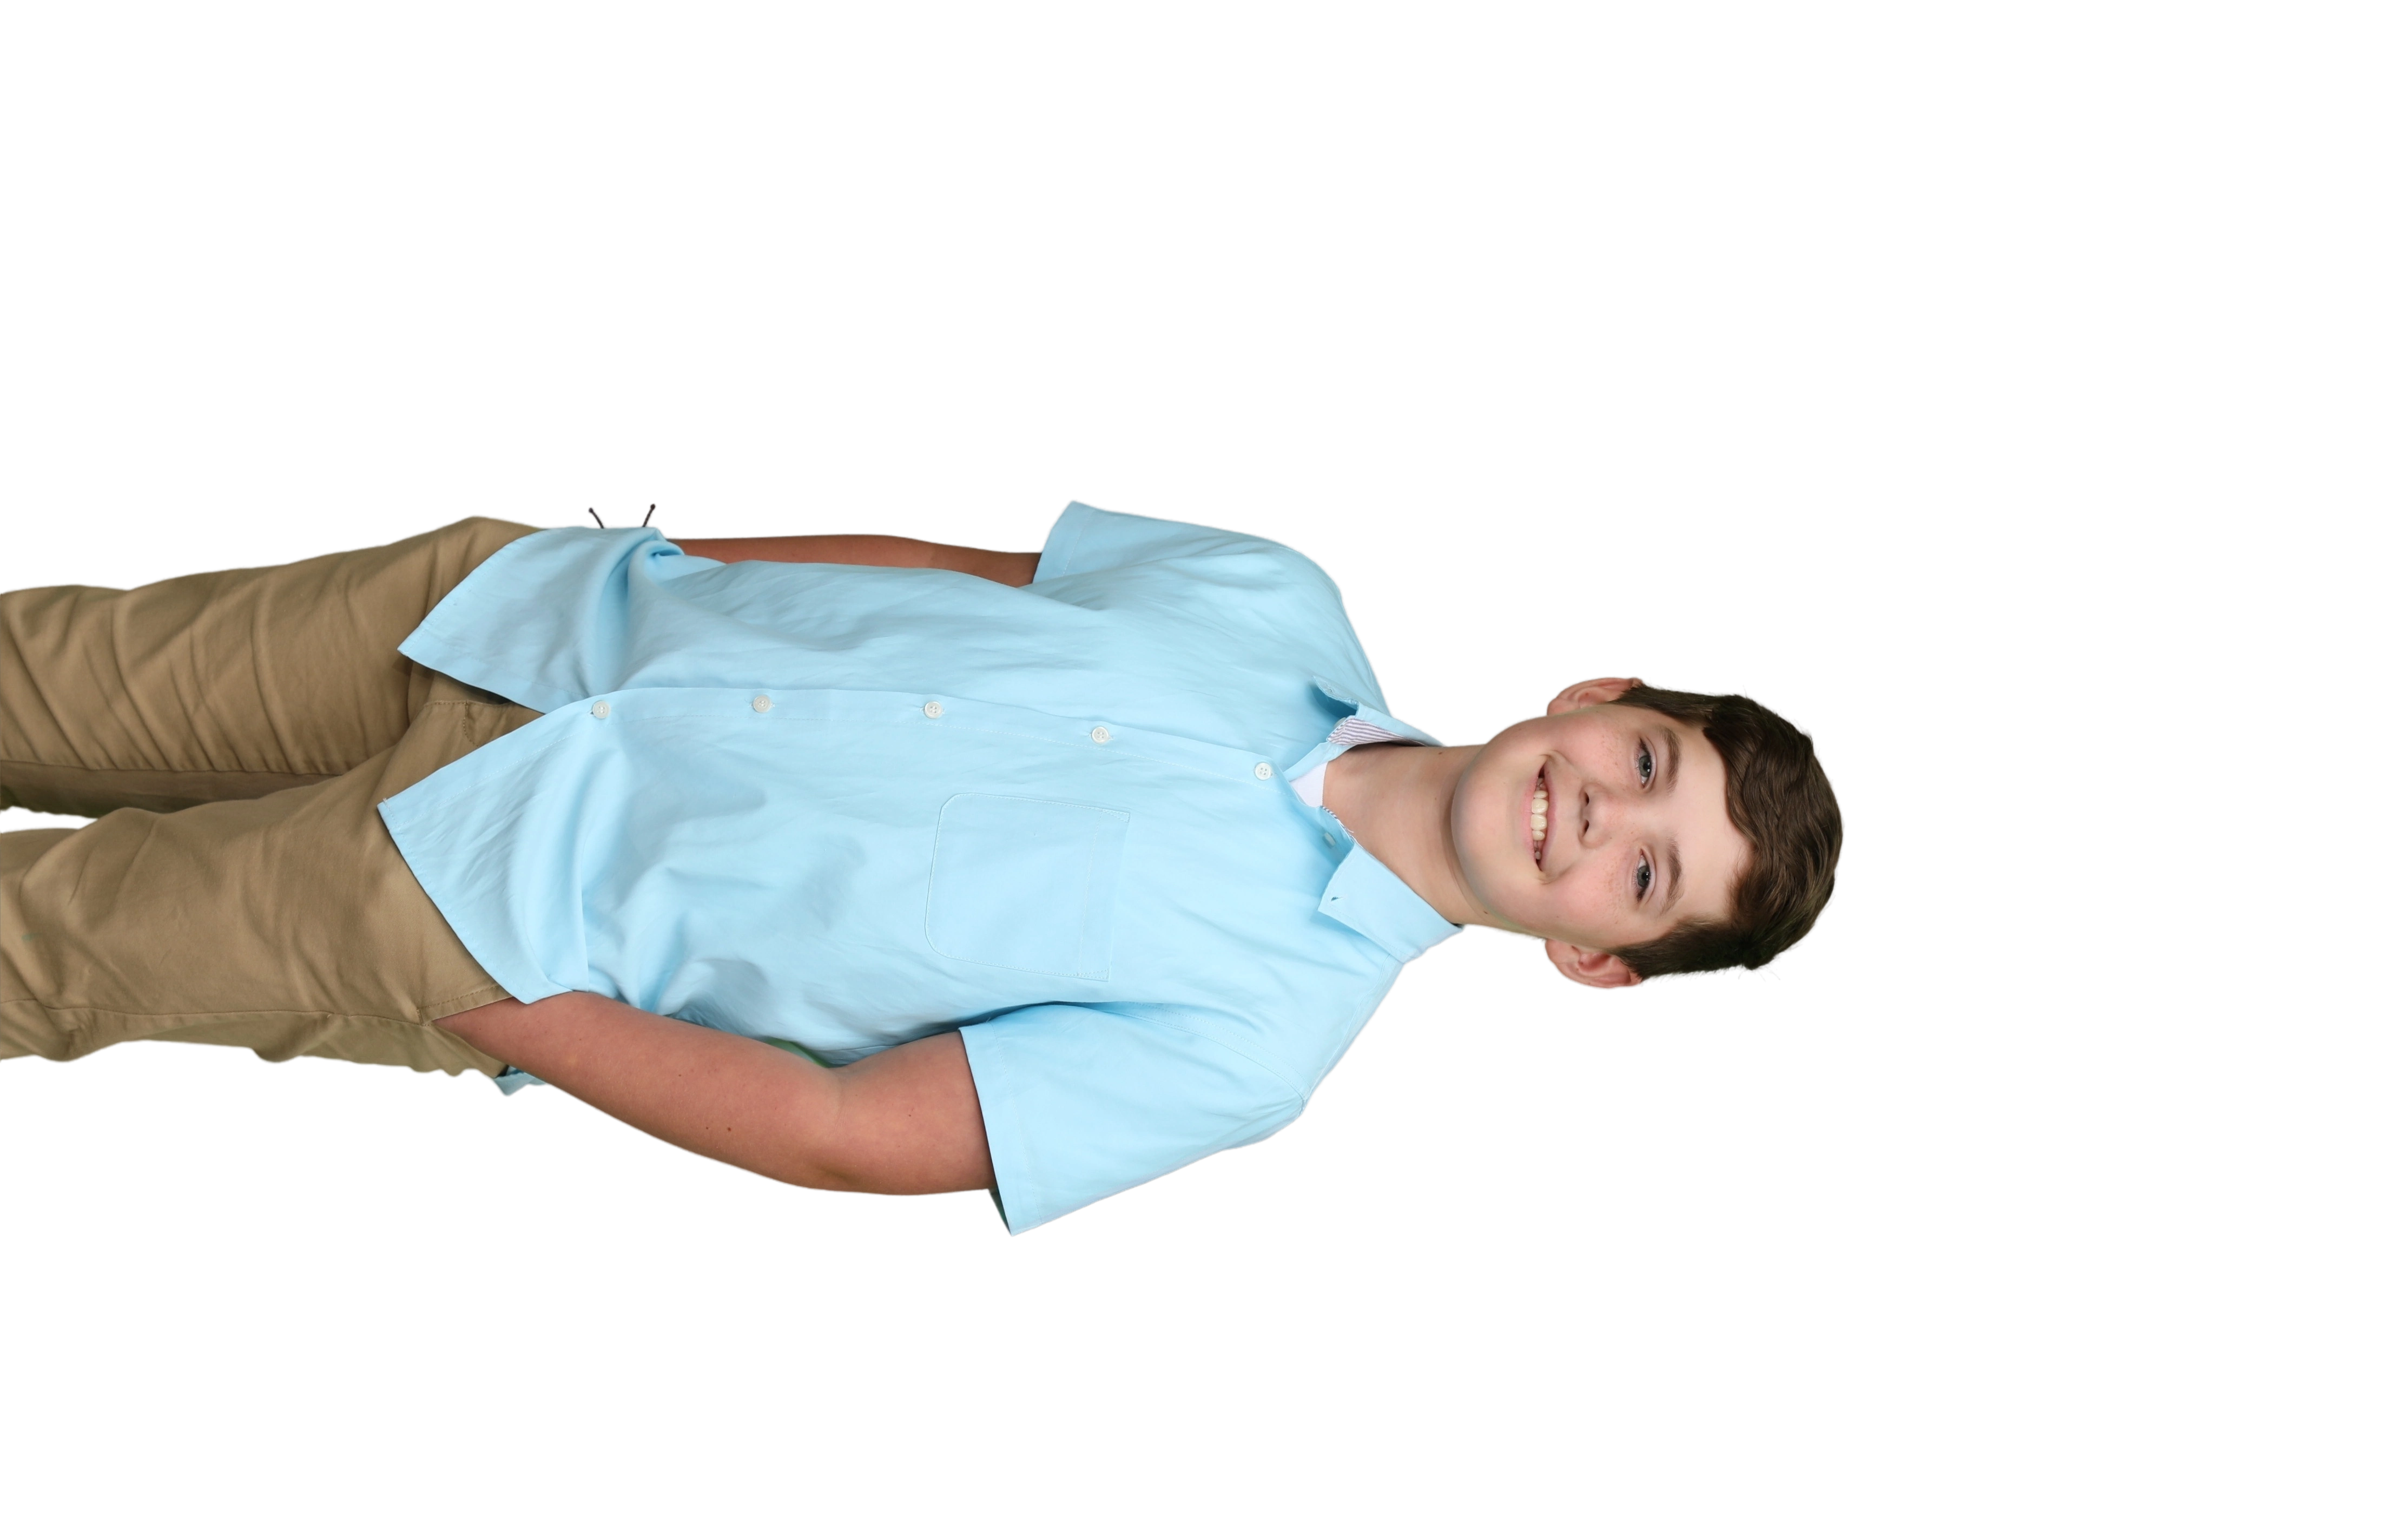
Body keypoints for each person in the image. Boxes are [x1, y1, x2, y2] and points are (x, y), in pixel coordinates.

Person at [1, 500, 1846, 1235]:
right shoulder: (1274, 591)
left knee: (38, 945)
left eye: (1646, 879)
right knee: (45, 666)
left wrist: (491, 999)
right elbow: (958, 574)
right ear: (1594, 700)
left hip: (480, 906)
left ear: (1595, 961)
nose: (1599, 819)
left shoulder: (1254, 1042)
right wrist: (674, 559)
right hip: (513, 613)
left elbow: (845, 1134)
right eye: (1645, 767)